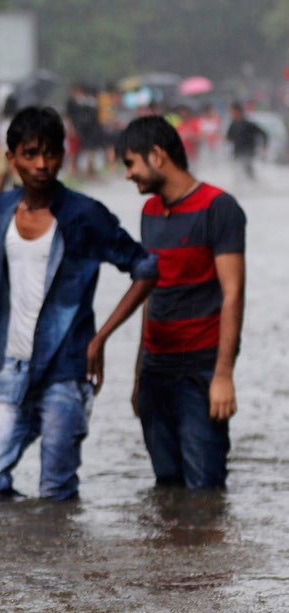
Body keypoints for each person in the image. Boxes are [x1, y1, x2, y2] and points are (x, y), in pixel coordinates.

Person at [0, 106, 158, 500]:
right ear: (11, 158)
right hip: (13, 368)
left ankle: (55, 555)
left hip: (66, 371)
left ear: (62, 155)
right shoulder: (4, 210)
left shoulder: (85, 215)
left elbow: (145, 269)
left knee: (56, 491)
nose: (42, 164)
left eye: (51, 153)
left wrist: (99, 339)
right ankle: (26, 549)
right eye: (31, 154)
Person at [117, 115, 246, 489]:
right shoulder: (149, 213)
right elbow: (150, 293)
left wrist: (223, 376)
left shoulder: (219, 208)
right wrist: (140, 374)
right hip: (156, 371)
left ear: (156, 155)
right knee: (167, 486)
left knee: (205, 491)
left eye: (130, 163)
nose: (128, 175)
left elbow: (233, 293)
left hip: (200, 371)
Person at [225, 102, 266, 181]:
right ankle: (241, 188)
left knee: (248, 171)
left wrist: (264, 146)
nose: (230, 113)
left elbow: (263, 133)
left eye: (231, 111)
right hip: (237, 153)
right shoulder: (233, 124)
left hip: (248, 152)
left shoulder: (248, 124)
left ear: (237, 111)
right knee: (237, 173)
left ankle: (254, 185)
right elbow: (229, 138)